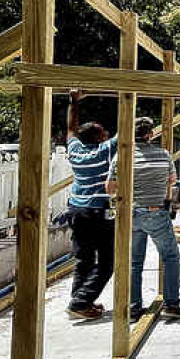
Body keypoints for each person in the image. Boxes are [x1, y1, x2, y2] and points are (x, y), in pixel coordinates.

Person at [106, 116, 180, 321]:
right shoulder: (163, 154)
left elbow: (110, 188)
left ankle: (133, 309)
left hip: (130, 213)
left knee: (134, 262)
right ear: (150, 135)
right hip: (155, 211)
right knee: (170, 256)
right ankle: (171, 304)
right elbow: (173, 180)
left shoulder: (122, 156)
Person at [64, 90, 117, 320]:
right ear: (97, 138)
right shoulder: (103, 153)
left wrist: (73, 102)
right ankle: (80, 302)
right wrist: (128, 93)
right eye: (103, 133)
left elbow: (70, 129)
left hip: (76, 210)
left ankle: (79, 304)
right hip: (97, 212)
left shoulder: (75, 150)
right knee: (106, 263)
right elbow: (126, 131)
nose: (106, 135)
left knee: (84, 259)